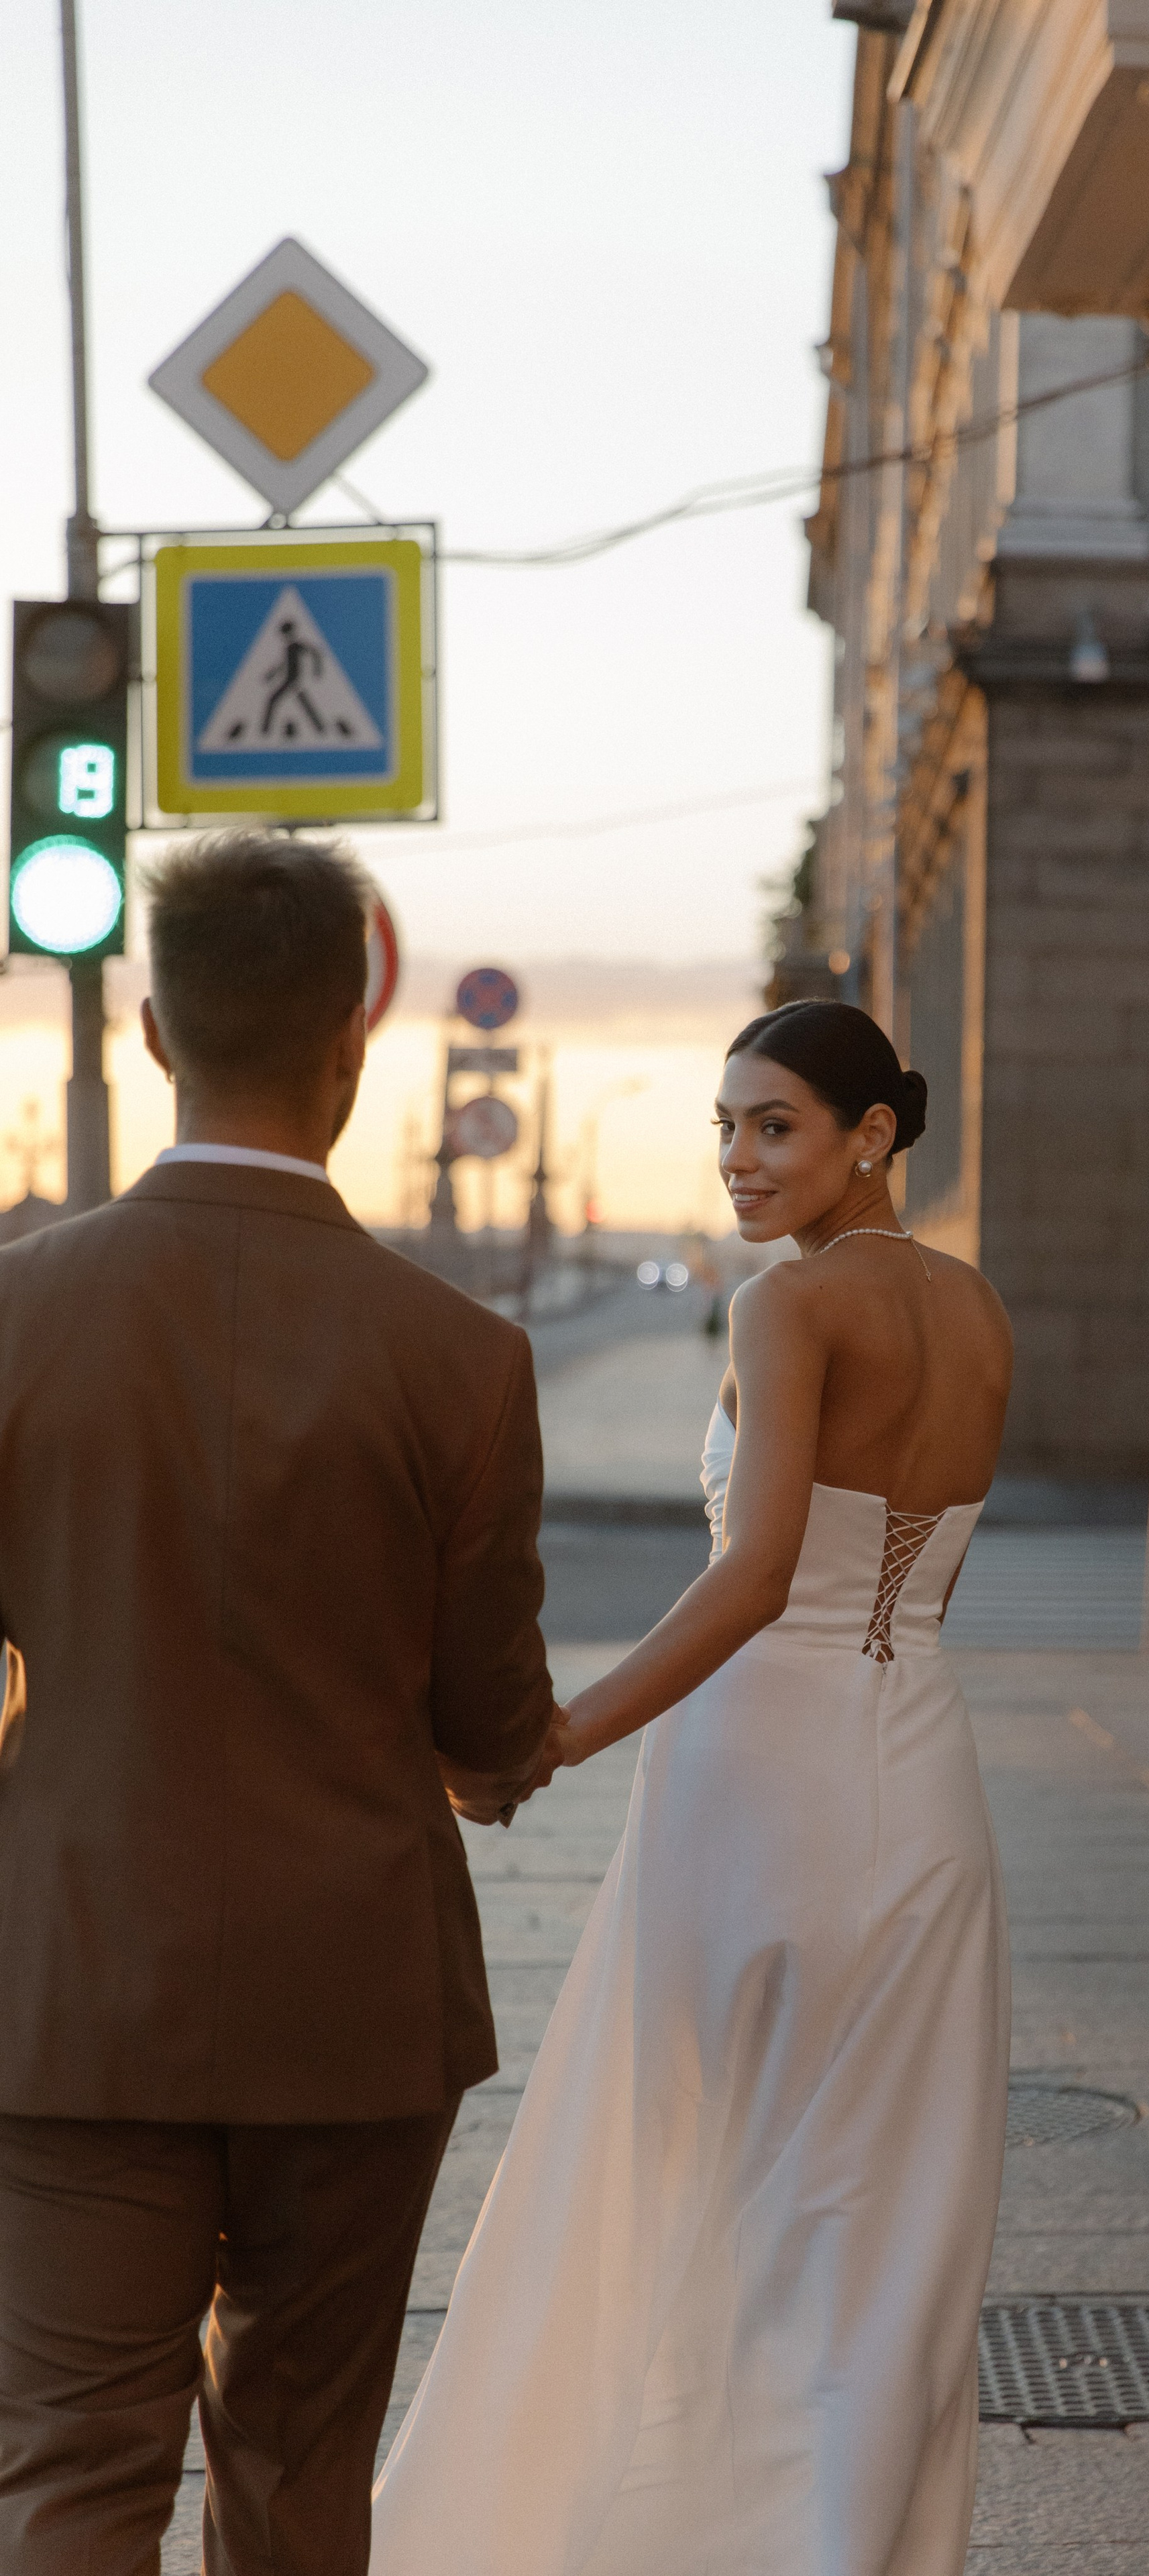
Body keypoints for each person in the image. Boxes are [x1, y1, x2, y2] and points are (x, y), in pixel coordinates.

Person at [371, 999, 1014, 2576]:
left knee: (667, 2167)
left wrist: (555, 1738)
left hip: (755, 1789)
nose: (736, 1159)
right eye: (723, 1127)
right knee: (882, 2223)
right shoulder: (977, 1310)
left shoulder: (782, 1313)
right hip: (921, 1786)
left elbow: (756, 1577)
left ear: (870, 1136)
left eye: (773, 1125)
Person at [0, 831, 557, 2575]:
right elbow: (489, 1722)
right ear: (353, 1046)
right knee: (301, 2477)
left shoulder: (13, 1317)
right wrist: (494, 1760)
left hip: (74, 1989)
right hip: (358, 2004)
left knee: (71, 2472)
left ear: (156, 1034)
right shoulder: (460, 1357)